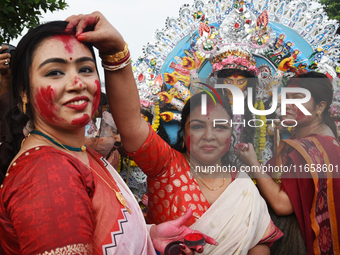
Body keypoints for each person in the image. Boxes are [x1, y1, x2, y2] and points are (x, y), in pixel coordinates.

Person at [63, 12, 283, 254]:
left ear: (231, 133)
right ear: (183, 130)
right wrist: (114, 53)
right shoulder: (166, 165)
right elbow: (130, 125)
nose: (209, 135)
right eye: (198, 126)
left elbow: (258, 245)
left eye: (220, 126)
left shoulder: (242, 185)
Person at [0, 16, 218, 255]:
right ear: (24, 92)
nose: (77, 83)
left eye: (85, 69)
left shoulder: (78, 153)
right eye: (54, 72)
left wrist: (148, 235)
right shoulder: (48, 174)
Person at [238, 71, 340, 254]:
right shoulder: (321, 142)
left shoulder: (312, 148)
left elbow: (282, 204)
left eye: (298, 98)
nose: (287, 104)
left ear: (320, 107)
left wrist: (252, 162)